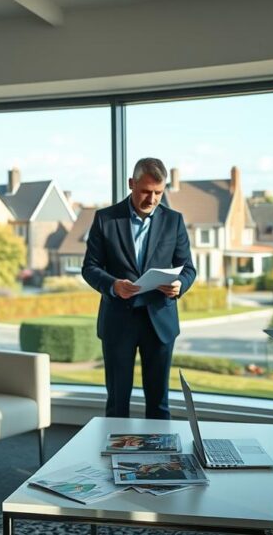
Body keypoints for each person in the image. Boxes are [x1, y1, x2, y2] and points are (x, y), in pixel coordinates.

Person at [82, 158, 196, 419]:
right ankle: (117, 448)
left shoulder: (174, 221)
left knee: (159, 405)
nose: (152, 199)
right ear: (131, 183)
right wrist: (113, 285)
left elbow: (188, 268)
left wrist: (179, 285)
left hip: (160, 322)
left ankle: (160, 449)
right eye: (146, 191)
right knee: (117, 404)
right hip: (118, 321)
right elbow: (89, 267)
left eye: (158, 192)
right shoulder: (105, 219)